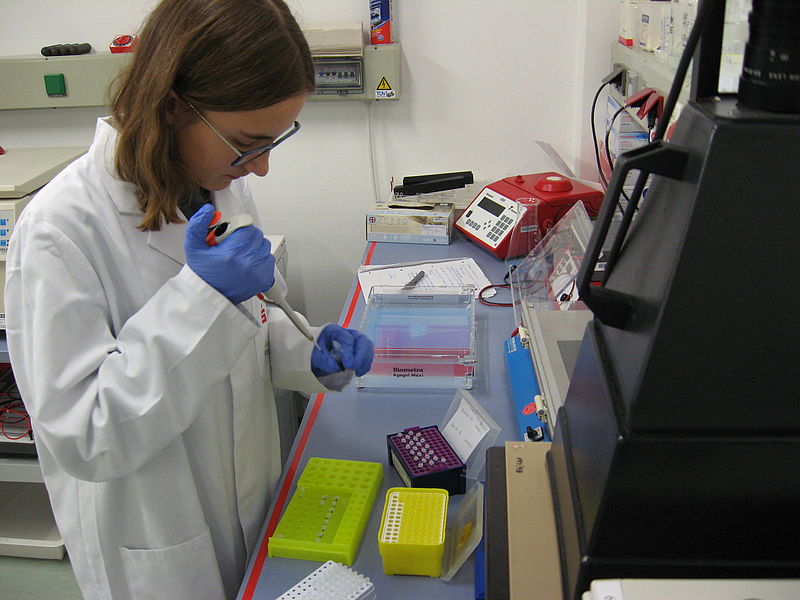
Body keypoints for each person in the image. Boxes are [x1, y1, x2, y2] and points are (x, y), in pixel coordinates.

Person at [3, 0, 373, 598]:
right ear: (173, 105)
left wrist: (303, 350)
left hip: (249, 500)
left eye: (274, 142)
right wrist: (203, 298)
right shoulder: (59, 230)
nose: (262, 168)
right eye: (248, 143)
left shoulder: (216, 188)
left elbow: (246, 323)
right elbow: (86, 434)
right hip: (157, 539)